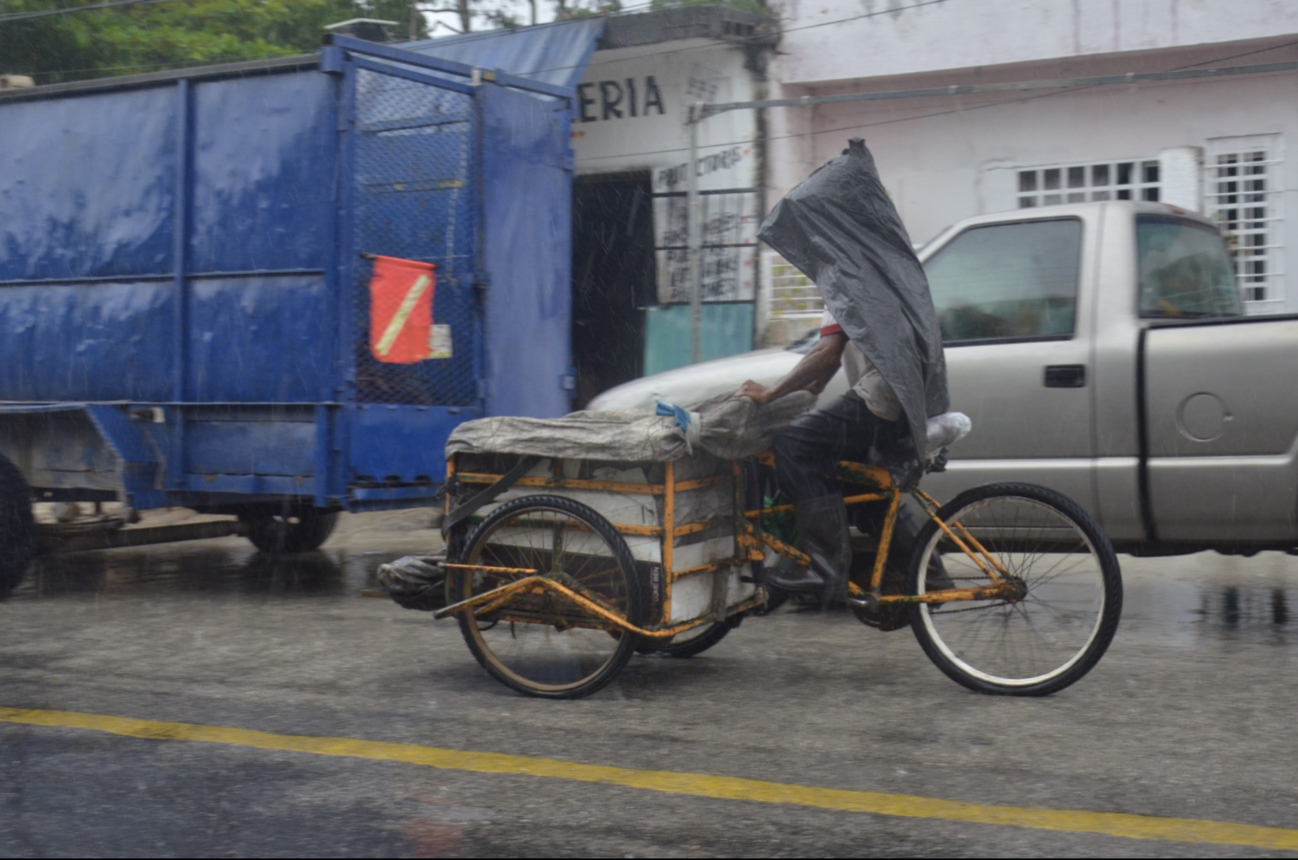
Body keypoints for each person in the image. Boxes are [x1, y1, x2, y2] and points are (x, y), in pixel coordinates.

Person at [739, 309, 905, 603]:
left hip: (881, 394)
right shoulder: (871, 273)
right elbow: (824, 370)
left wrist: (769, 393)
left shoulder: (842, 277)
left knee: (793, 444)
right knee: (861, 481)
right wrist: (804, 388)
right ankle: (928, 573)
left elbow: (827, 353)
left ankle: (825, 571)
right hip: (906, 395)